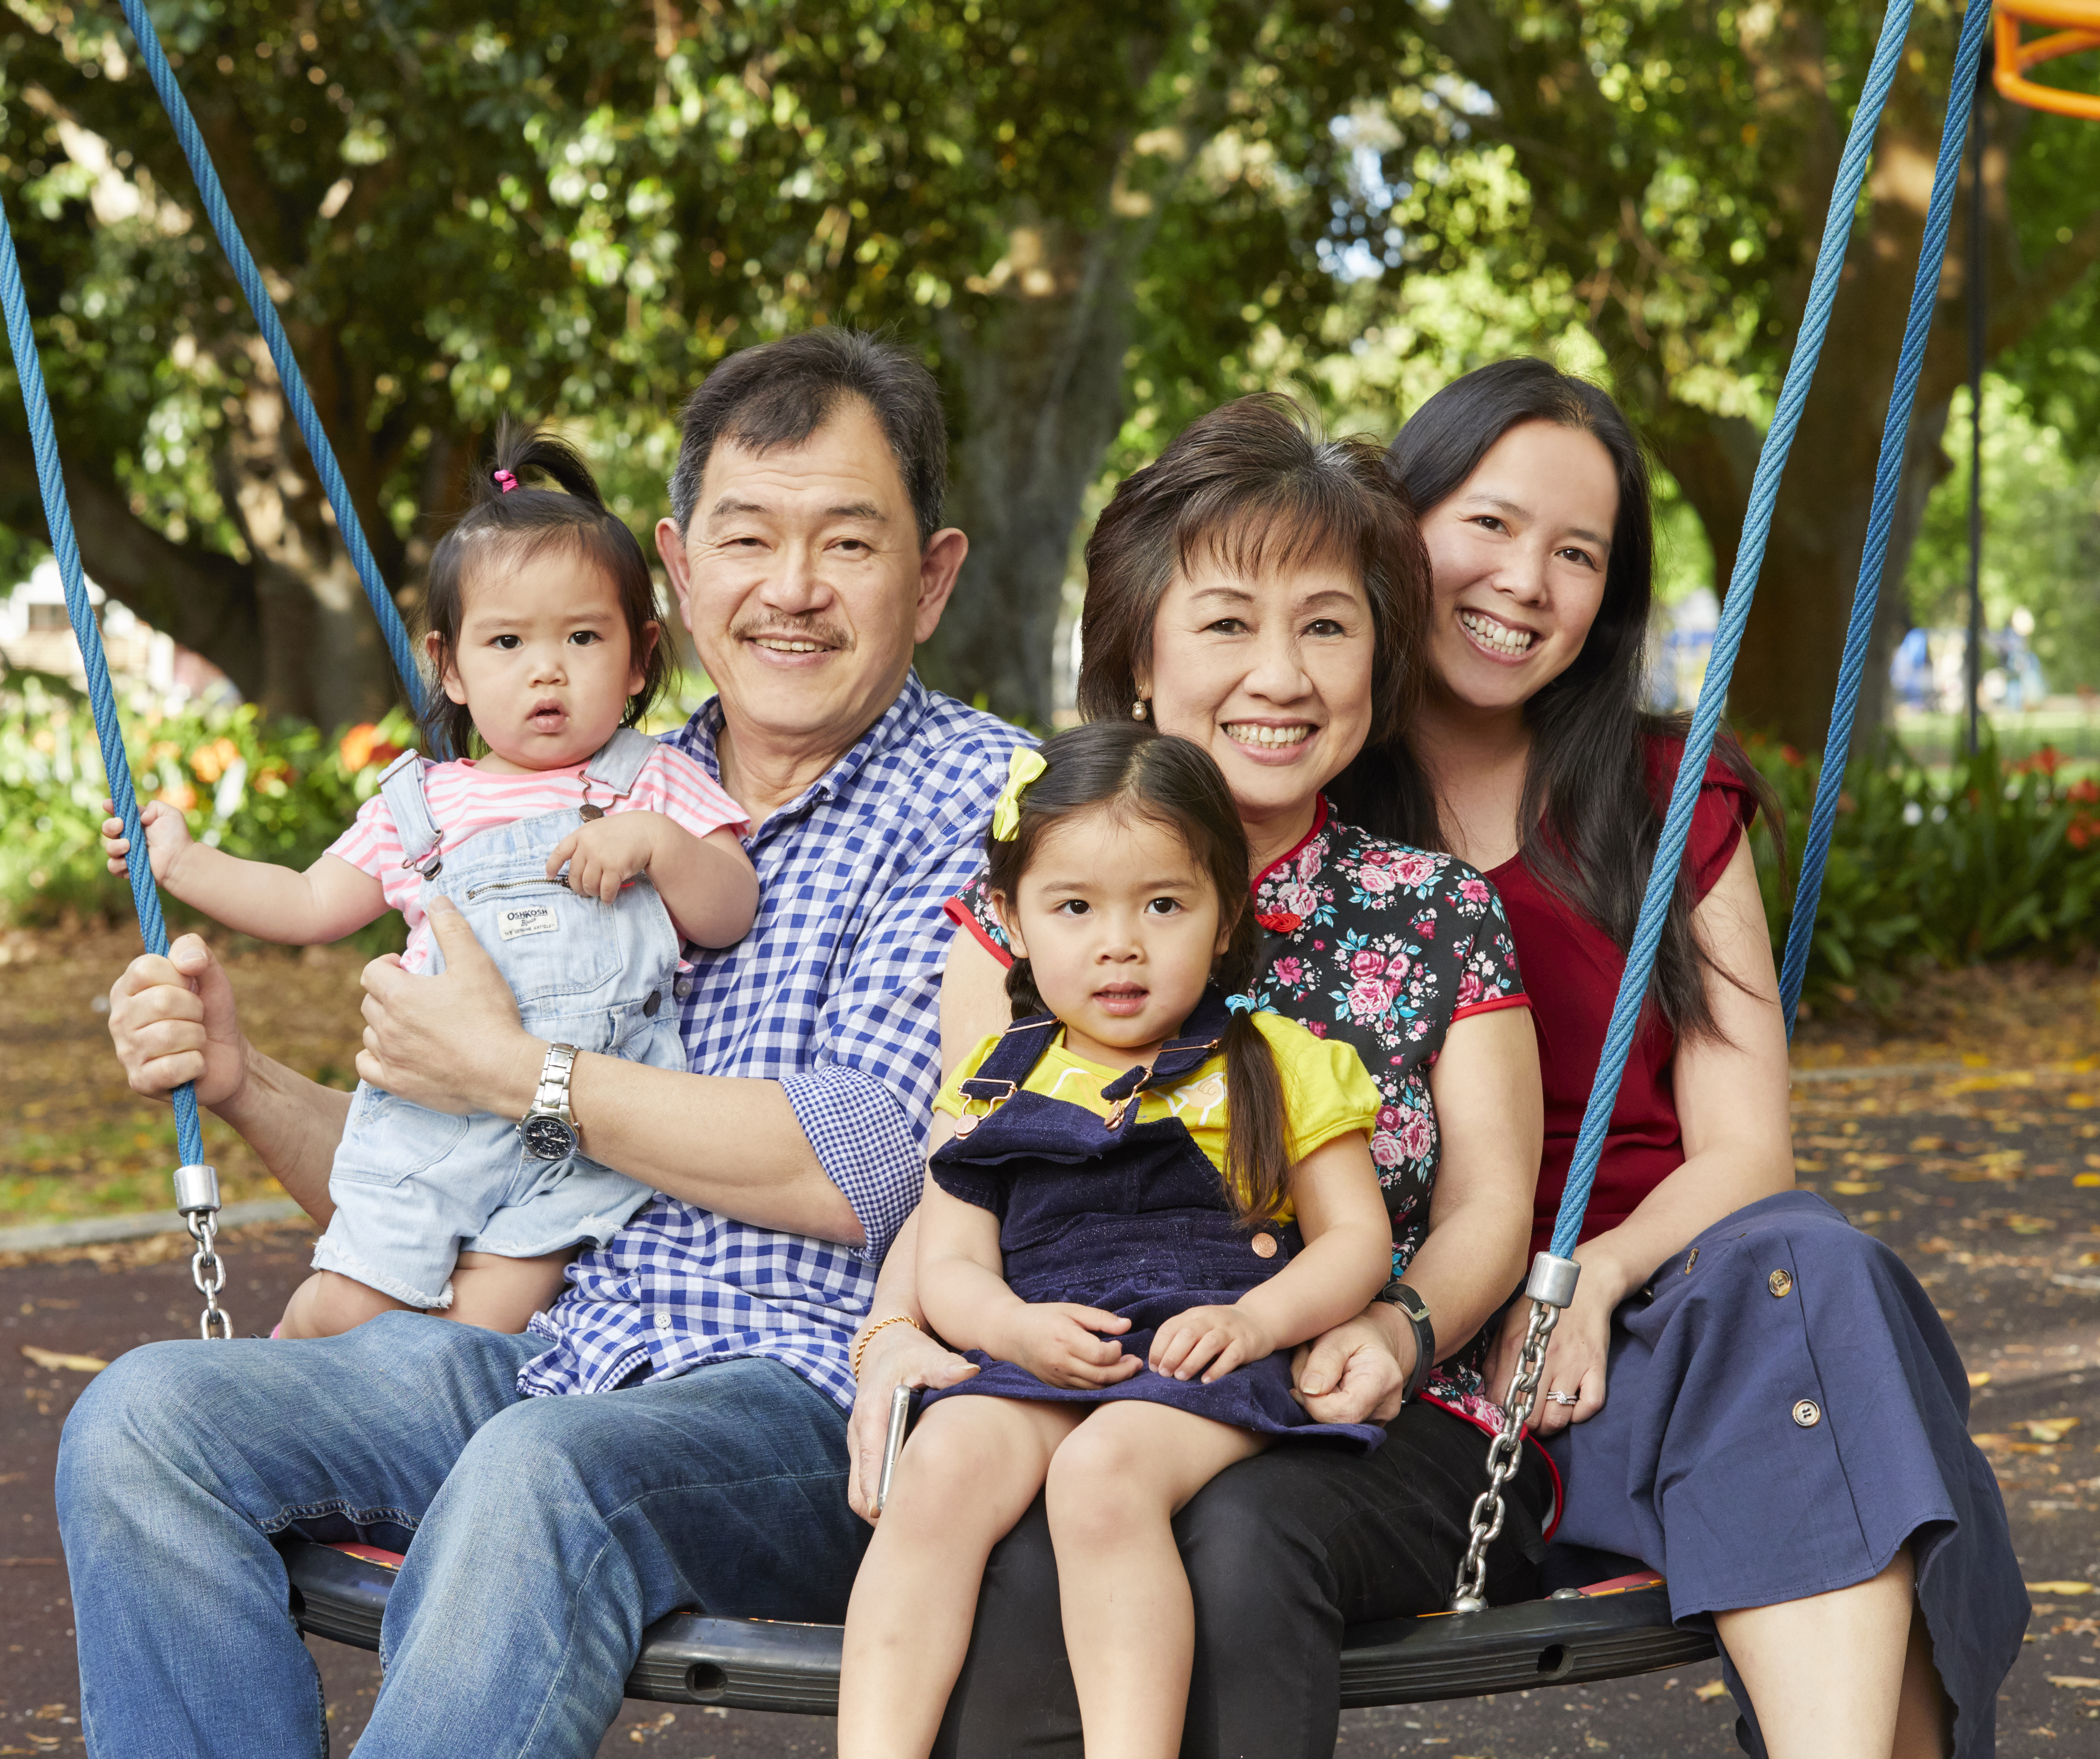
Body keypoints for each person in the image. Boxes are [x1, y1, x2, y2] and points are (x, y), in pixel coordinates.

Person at [57, 327, 1032, 1759]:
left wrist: (523, 1073)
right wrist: (244, 1077)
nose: (794, 589)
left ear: (934, 575)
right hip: (545, 1350)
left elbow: (872, 1170)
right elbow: (452, 1177)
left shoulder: (993, 804)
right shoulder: (560, 775)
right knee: (146, 1422)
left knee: (537, 1475)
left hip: (809, 1401)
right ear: (680, 570)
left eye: (849, 543)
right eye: (748, 538)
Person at [849, 394, 1550, 1757]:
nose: (1280, 675)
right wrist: (907, 1337)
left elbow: (1488, 1206)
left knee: (1228, 1534)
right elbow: (968, 1167)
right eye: (1227, 623)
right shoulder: (1017, 918)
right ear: (1140, 654)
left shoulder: (1435, 909)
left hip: (1360, 1397)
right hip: (1075, 1368)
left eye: (1327, 626)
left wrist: (1396, 1327)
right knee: (1011, 1542)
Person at [1358, 357, 2027, 1759]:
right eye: (1488, 523)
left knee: (1808, 1274)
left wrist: (1589, 1278)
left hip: (1667, 1310)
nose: (1525, 582)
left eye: (1578, 554)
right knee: (1829, 1346)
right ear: (1397, 518)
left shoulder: (1668, 799)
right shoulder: (1306, 782)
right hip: (1426, 1342)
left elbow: (1748, 1149)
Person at [98, 428, 758, 1338]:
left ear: (641, 657)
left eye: (582, 635)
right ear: (448, 665)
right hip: (431, 1118)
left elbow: (731, 909)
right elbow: (307, 904)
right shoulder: (423, 805)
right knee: (352, 1297)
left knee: (487, 1319)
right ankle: (269, 1379)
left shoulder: (649, 783)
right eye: (506, 641)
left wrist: (660, 847)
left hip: (582, 1130)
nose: (546, 667)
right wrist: (181, 862)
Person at [839, 724, 1397, 1758]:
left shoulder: (1279, 1062)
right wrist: (1012, 1325)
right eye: (1075, 908)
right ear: (1011, 921)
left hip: (1209, 1365)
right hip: (1048, 1353)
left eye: (1164, 905)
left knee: (1104, 1474)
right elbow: (951, 1263)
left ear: (1228, 915)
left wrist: (1254, 1320)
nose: (1120, 943)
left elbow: (1358, 1242)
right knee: (947, 1460)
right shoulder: (993, 1083)